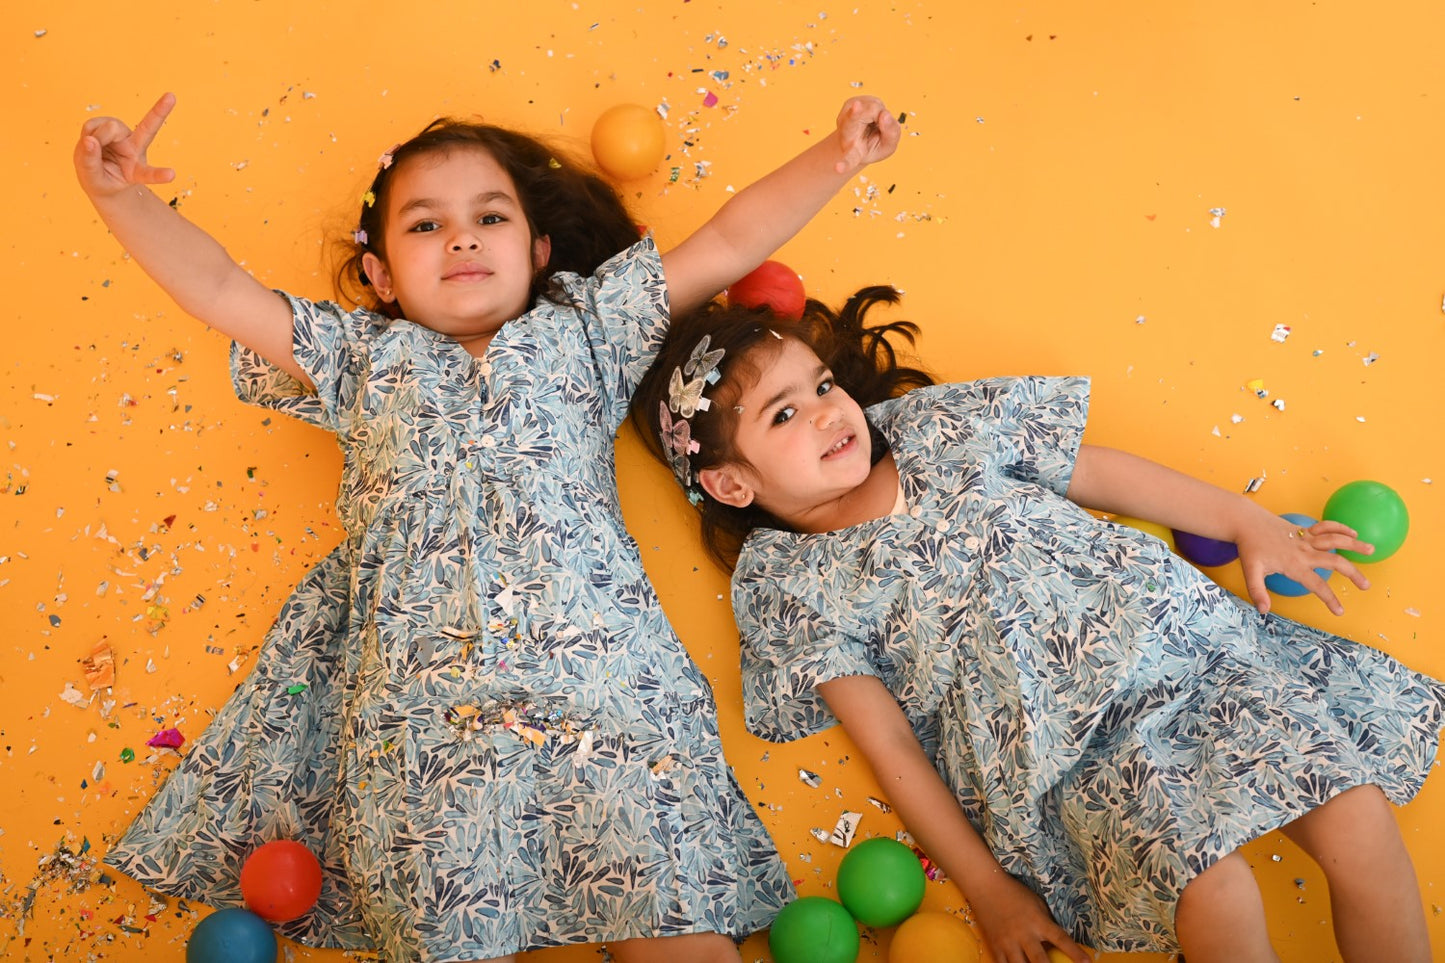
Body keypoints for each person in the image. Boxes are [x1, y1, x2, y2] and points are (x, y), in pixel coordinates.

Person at [74, 92, 900, 963]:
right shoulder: (358, 358)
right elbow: (216, 288)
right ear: (384, 276)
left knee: (679, 933)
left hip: (608, 698)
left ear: (538, 253)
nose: (462, 238)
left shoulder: (585, 331)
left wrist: (836, 156)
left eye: (489, 216)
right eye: (425, 226)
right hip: (426, 723)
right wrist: (122, 198)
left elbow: (729, 242)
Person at [631, 288, 1445, 963]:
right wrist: (990, 890)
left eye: (818, 386)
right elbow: (891, 747)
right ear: (732, 485)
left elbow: (1102, 473)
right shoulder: (795, 586)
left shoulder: (938, 431)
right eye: (781, 416)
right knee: (1214, 893)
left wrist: (1246, 520)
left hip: (1189, 653)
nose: (824, 412)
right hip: (1076, 759)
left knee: (1357, 814)